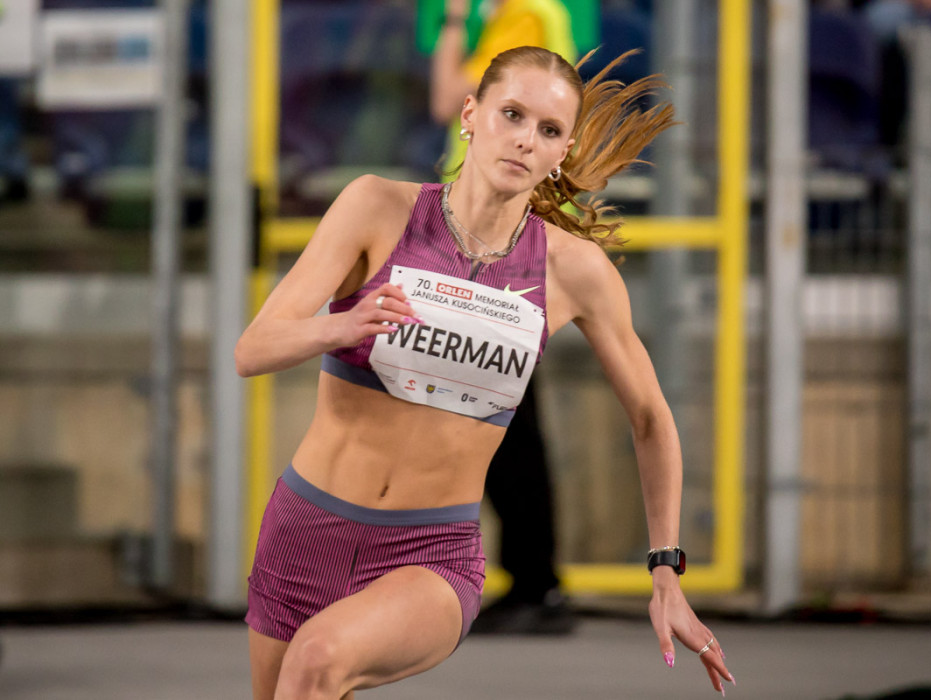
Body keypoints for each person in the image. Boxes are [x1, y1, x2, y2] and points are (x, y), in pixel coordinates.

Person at [236, 45, 736, 699]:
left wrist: (666, 570)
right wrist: (340, 326)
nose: (526, 139)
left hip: (429, 554)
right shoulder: (376, 207)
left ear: (563, 151)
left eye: (549, 130)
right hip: (305, 529)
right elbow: (254, 349)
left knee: (318, 660)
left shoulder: (573, 270)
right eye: (512, 114)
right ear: (470, 115)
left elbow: (650, 417)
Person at [429, 0, 577, 634]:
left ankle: (536, 582)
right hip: (484, 231)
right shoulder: (514, 19)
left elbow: (444, 98)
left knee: (504, 416)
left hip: (498, 236)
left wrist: (453, 21)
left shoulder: (523, 17)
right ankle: (532, 580)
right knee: (494, 410)